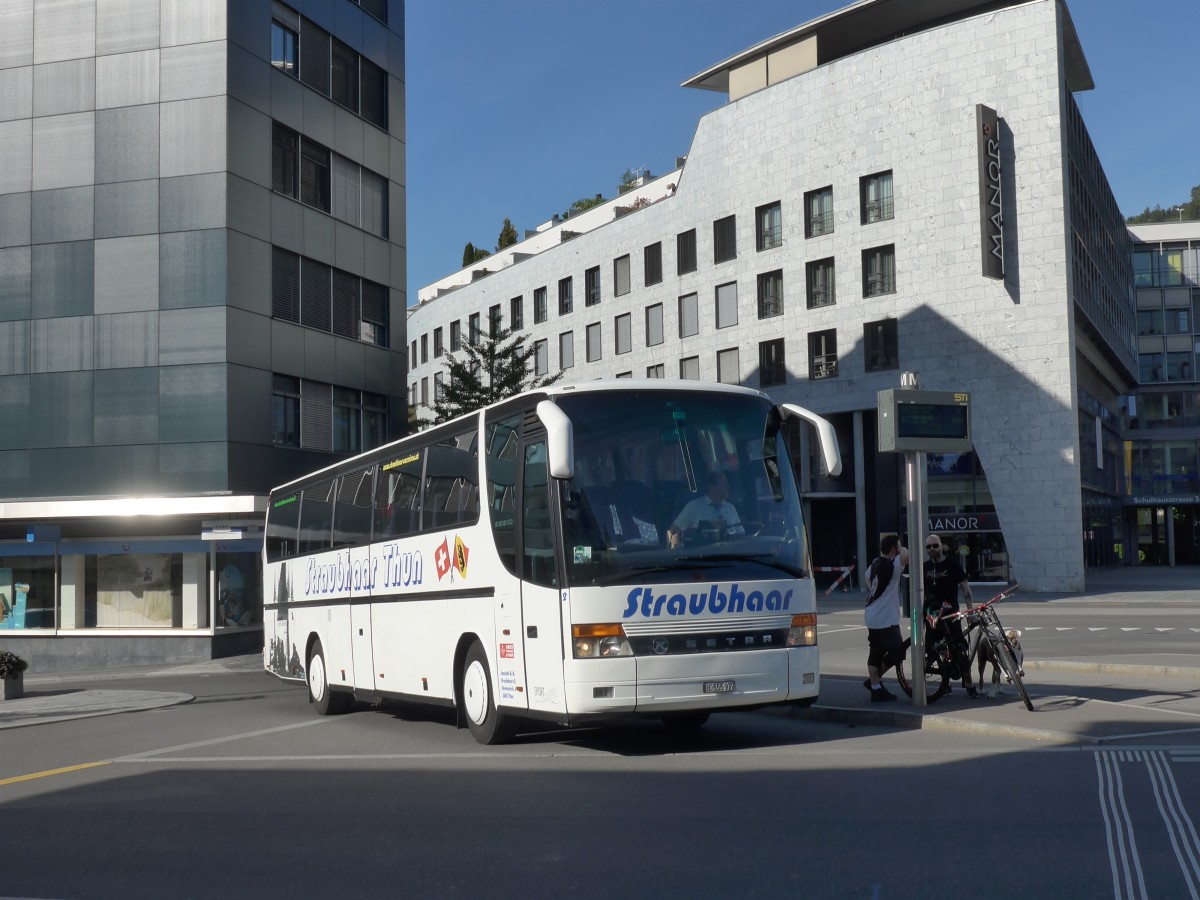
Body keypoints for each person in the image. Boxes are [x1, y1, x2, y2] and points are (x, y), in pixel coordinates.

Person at [924, 534, 978, 697]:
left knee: (960, 648)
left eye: (935, 545)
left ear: (941, 546)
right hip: (931, 615)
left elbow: (965, 589)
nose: (932, 549)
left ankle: (968, 683)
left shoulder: (952, 565)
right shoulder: (924, 567)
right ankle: (944, 682)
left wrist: (971, 613)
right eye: (929, 547)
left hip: (951, 614)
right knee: (933, 650)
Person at [863, 534, 909, 702]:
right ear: (892, 550)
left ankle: (875, 687)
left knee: (875, 651)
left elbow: (867, 577)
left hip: (871, 614)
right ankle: (873, 681)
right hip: (886, 618)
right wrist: (901, 547)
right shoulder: (893, 565)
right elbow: (906, 555)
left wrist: (873, 594)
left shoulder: (875, 562)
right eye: (897, 547)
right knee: (898, 651)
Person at [666, 470, 741, 548]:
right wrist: (675, 553)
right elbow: (672, 532)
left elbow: (740, 535)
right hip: (700, 556)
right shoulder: (694, 506)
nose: (728, 487)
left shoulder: (731, 508)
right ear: (712, 487)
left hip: (729, 555)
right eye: (723, 484)